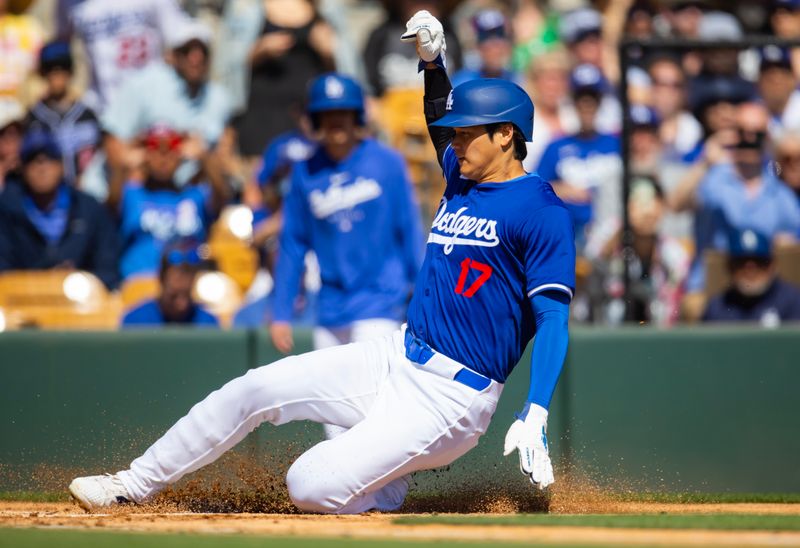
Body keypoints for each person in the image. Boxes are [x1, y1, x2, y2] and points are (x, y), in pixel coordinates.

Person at [67, 10, 574, 514]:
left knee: (307, 483)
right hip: (398, 354)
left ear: (506, 135)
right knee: (254, 388)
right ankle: (132, 483)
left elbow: (553, 319)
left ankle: (385, 492)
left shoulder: (540, 210)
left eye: (468, 132)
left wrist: (536, 408)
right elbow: (440, 121)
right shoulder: (462, 173)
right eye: (457, 133)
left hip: (452, 398)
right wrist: (433, 62)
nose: (454, 140)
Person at [269, 74, 424, 439]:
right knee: (334, 417)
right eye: (327, 114)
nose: (336, 122)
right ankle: (348, 496)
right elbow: (292, 243)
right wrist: (280, 311)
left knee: (370, 407)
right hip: (331, 306)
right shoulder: (305, 172)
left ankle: (381, 494)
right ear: (316, 119)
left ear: (357, 116)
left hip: (380, 301)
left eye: (343, 113)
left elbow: (409, 229)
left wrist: (422, 290)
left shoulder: (386, 162)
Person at [670, 102, 800, 294]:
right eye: (742, 132)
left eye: (757, 134)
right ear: (731, 134)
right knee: (693, 306)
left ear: (767, 139)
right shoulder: (712, 177)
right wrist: (704, 162)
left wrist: (787, 246)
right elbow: (675, 204)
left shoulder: (780, 192)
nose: (749, 139)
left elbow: (794, 245)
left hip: (761, 291)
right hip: (711, 288)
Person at [102, 19, 232, 194]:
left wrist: (203, 156)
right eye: (187, 51)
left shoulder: (220, 98)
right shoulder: (143, 85)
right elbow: (114, 145)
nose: (196, 58)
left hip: (189, 201)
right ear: (173, 56)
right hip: (136, 195)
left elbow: (225, 158)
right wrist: (150, 155)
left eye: (203, 51)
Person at [0, 130, 119, 289]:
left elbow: (107, 267)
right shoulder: (6, 210)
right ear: (22, 168)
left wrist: (75, 279)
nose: (42, 168)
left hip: (82, 302)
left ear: (61, 165)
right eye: (33, 160)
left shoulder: (88, 209)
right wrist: (47, 278)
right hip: (23, 301)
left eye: (49, 158)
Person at [111, 123, 230, 280]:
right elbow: (112, 202)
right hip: (140, 281)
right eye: (157, 152)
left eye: (170, 152)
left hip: (187, 283)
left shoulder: (194, 196)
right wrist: (124, 166)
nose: (163, 159)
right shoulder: (133, 194)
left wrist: (204, 158)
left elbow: (222, 197)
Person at [535, 64, 622, 253]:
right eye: (581, 99)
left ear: (600, 102)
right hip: (569, 235)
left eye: (593, 99)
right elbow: (534, 189)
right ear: (573, 102)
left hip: (613, 235)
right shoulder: (556, 146)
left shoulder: (617, 144)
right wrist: (560, 189)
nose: (587, 105)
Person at [235, 0, 334, 159]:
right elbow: (230, 66)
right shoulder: (250, 8)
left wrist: (328, 52)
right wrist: (261, 49)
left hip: (309, 119)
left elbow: (342, 73)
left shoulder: (326, 9)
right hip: (265, 118)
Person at [56, 0, 190, 112]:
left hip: (151, 108)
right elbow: (60, 47)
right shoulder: (69, 3)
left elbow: (182, 40)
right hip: (101, 109)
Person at [25, 41, 101, 186]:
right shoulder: (33, 117)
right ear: (42, 73)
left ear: (71, 72)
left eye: (63, 68)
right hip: (49, 197)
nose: (57, 75)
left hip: (87, 194)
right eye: (50, 69)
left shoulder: (88, 114)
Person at [702, 228, 800, 324]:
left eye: (759, 261)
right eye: (741, 262)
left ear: (772, 265)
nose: (750, 270)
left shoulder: (793, 301)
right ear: (729, 267)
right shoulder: (717, 306)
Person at [121, 239, 219, 327]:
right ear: (161, 280)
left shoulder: (207, 323)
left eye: (186, 295)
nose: (181, 304)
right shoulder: (135, 322)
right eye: (174, 296)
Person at [450, 9, 520, 88]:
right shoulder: (462, 83)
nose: (495, 46)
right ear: (477, 46)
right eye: (485, 38)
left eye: (500, 35)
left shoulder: (519, 81)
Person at [756, 46, 800, 139]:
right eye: (769, 72)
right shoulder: (752, 110)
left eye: (783, 72)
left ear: (793, 79)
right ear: (759, 80)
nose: (776, 78)